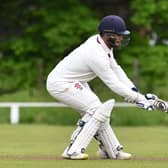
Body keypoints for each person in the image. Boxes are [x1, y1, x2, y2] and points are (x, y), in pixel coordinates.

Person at [46, 15, 153, 160]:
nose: (121, 39)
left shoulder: (103, 44)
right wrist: (138, 99)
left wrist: (134, 91)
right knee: (96, 109)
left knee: (100, 112)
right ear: (108, 35)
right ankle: (72, 150)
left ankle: (110, 151)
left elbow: (116, 69)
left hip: (76, 81)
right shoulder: (95, 54)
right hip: (60, 83)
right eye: (118, 35)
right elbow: (113, 83)